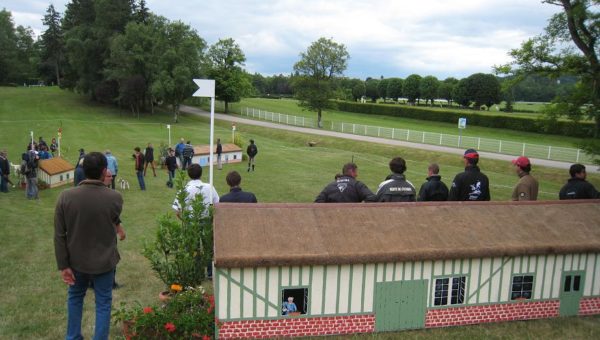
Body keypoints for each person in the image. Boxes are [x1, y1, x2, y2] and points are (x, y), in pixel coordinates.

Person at [54, 152, 123, 340]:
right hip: (104, 262)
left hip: (76, 262)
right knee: (103, 302)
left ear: (83, 170)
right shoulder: (115, 197)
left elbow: (59, 235)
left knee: (75, 298)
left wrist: (64, 265)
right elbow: (113, 219)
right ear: (104, 171)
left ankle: (73, 337)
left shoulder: (65, 197)